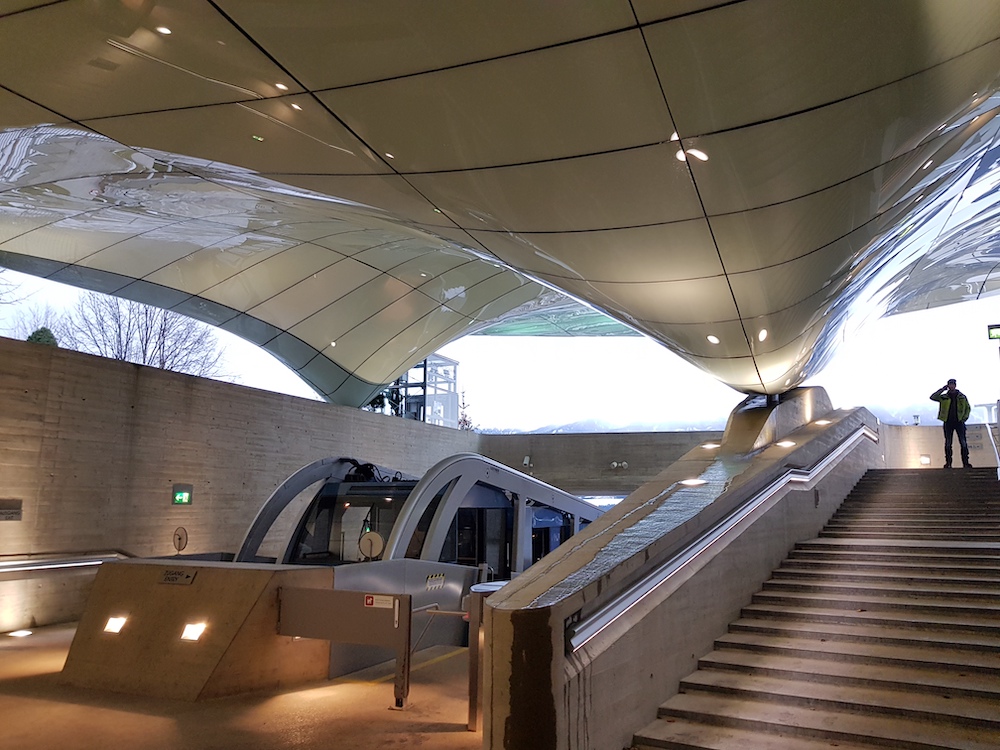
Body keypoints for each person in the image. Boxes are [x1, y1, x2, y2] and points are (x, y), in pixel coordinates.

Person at [930, 379, 972, 468]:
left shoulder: (962, 397)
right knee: (948, 443)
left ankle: (965, 463)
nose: (951, 386)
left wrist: (964, 418)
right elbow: (933, 397)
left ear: (955, 385)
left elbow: (967, 408)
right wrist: (942, 389)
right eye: (950, 385)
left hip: (959, 422)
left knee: (963, 443)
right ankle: (948, 463)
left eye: (952, 384)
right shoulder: (944, 396)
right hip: (948, 422)